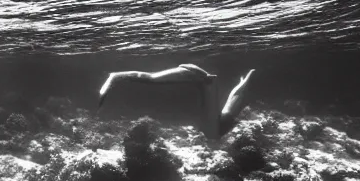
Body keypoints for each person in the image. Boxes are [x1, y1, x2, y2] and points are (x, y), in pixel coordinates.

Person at [97, 64, 255, 139]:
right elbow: (234, 100)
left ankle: (115, 76)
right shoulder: (214, 126)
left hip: (199, 79)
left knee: (151, 79)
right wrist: (244, 82)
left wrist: (244, 82)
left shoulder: (215, 125)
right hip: (198, 78)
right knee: (151, 79)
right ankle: (115, 75)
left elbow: (234, 100)